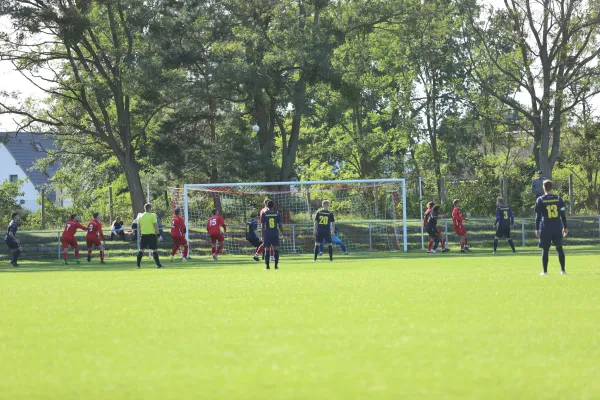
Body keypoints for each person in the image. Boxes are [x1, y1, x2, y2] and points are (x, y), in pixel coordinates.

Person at [535, 180, 568, 275]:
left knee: (545, 249)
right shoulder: (558, 199)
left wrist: (537, 229)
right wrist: (565, 227)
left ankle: (545, 271)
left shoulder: (540, 200)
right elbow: (563, 214)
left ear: (543, 187)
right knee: (559, 248)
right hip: (557, 227)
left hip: (546, 228)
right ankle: (563, 270)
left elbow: (538, 216)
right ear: (551, 187)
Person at [137, 203, 164, 269]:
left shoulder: (140, 216)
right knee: (154, 250)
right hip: (151, 235)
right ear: (150, 208)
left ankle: (138, 265)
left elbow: (138, 227)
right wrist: (158, 235)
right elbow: (155, 226)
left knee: (141, 250)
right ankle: (158, 265)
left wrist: (140, 234)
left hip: (143, 235)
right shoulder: (152, 216)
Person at [261, 200, 284, 270]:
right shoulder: (277, 213)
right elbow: (280, 225)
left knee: (267, 249)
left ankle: (267, 266)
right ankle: (276, 266)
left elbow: (262, 226)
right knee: (276, 249)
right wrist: (282, 233)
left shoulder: (264, 213)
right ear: (273, 206)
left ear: (267, 206)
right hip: (275, 233)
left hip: (267, 233)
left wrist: (262, 235)